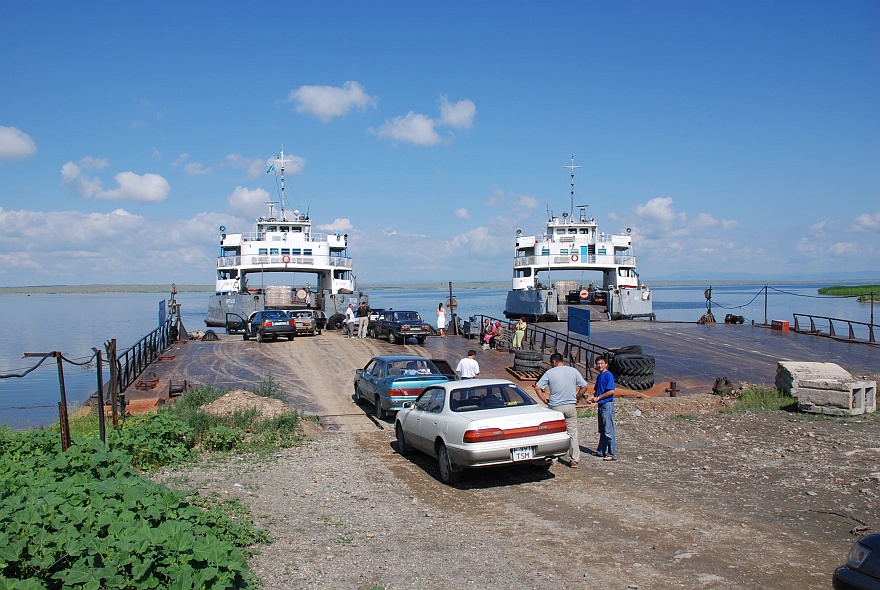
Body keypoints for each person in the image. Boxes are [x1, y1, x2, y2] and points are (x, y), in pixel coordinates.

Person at [534, 352, 589, 468]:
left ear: (553, 362)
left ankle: (554, 459)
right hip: (570, 405)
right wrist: (577, 397)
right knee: (572, 432)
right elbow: (584, 386)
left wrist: (545, 400)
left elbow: (538, 387)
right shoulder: (573, 371)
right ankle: (574, 460)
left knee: (555, 432)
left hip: (555, 407)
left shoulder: (550, 373)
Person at [587, 356, 616, 460]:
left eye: (601, 363)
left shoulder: (608, 375)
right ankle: (601, 451)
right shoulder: (599, 376)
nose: (599, 365)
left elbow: (611, 391)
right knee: (602, 429)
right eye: (598, 364)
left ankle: (611, 453)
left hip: (607, 404)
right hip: (600, 404)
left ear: (606, 364)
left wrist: (598, 398)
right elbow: (597, 391)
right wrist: (592, 397)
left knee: (609, 429)